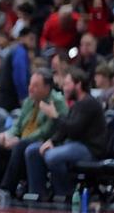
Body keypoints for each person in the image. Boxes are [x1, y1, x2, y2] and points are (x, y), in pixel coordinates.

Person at [0, 69, 67, 200]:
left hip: (43, 141)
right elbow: (18, 124)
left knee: (21, 145)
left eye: (35, 85)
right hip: (22, 139)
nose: (30, 88)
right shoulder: (29, 100)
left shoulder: (57, 102)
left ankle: (6, 189)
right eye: (30, 84)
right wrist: (8, 135)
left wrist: (19, 139)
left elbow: (47, 130)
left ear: (47, 88)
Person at [26, 68, 107, 199]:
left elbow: (73, 130)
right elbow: (64, 130)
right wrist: (51, 141)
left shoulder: (89, 103)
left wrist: (55, 116)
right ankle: (38, 195)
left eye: (67, 84)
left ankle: (64, 194)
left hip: (89, 149)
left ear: (78, 84)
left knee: (52, 156)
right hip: (73, 145)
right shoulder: (77, 104)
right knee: (33, 151)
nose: (64, 88)